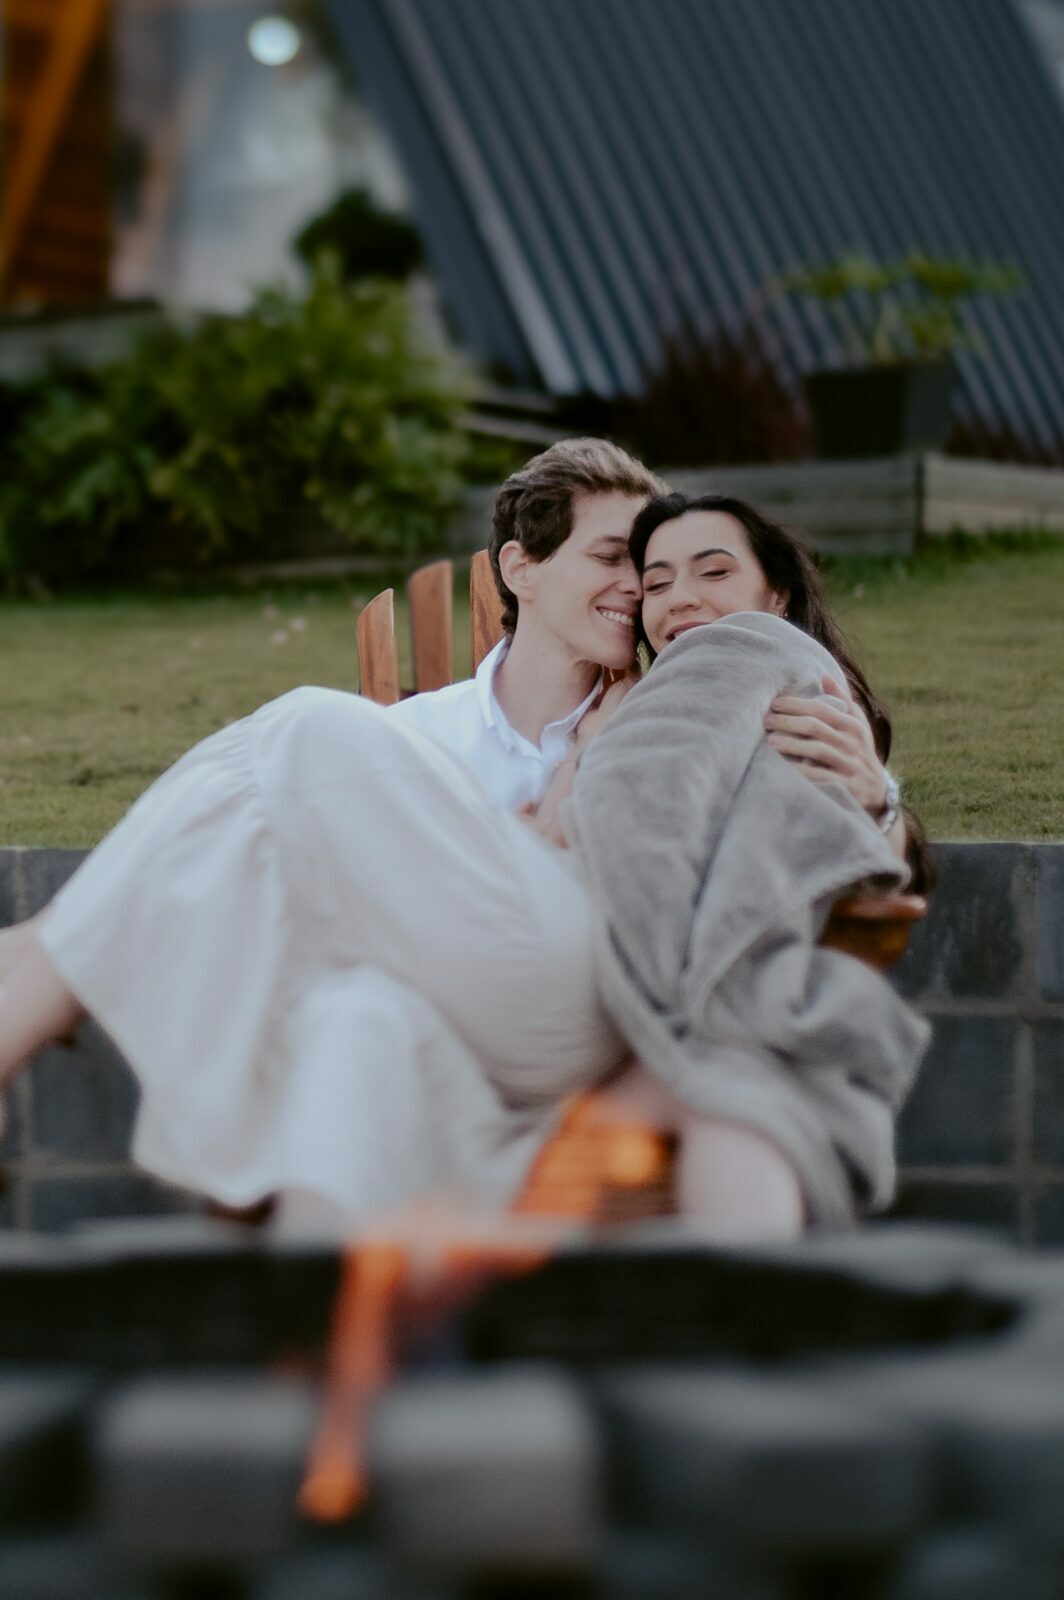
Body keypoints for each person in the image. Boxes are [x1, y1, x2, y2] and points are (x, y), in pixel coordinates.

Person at [0, 482, 924, 1238]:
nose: (664, 594)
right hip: (472, 998)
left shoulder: (723, 680)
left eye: (708, 571)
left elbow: (825, 842)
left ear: (775, 594)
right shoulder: (446, 733)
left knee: (308, 728)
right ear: (520, 572)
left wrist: (877, 801)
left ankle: (36, 970)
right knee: (350, 1015)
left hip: (593, 977)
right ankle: (315, 1329)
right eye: (644, 571)